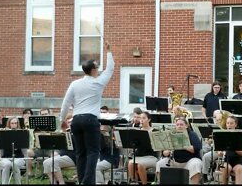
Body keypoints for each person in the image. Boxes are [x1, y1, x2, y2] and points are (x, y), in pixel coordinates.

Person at [60, 41, 114, 184]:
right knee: (92, 152)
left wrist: (62, 120)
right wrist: (108, 51)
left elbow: (66, 103)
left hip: (76, 121)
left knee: (80, 153)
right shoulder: (97, 83)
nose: (98, 69)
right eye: (97, 67)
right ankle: (87, 182)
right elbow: (110, 70)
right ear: (93, 70)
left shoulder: (75, 84)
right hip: (90, 120)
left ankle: (81, 179)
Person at [155, 117, 203, 184]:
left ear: (186, 126)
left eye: (181, 124)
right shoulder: (171, 135)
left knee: (196, 164)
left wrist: (182, 145)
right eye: (177, 125)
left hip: (189, 161)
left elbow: (196, 149)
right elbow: (164, 153)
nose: (179, 126)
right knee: (160, 164)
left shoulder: (192, 134)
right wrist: (168, 151)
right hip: (174, 161)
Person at [43, 113, 76, 185]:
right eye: (68, 121)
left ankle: (61, 182)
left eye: (71, 121)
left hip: (74, 157)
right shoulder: (66, 132)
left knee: (53, 162)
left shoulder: (77, 132)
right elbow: (62, 148)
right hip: (64, 155)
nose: (69, 123)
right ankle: (53, 182)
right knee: (46, 162)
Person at [127, 111, 158, 185]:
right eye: (140, 118)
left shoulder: (155, 131)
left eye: (144, 118)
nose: (141, 120)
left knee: (140, 165)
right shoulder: (137, 131)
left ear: (149, 120)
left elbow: (157, 146)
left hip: (151, 156)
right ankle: (135, 183)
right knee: (130, 164)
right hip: (139, 156)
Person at [0, 116, 27, 184]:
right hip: (6, 157)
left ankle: (18, 183)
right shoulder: (3, 133)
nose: (14, 125)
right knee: (7, 164)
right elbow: (0, 148)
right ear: (9, 124)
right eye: (12, 123)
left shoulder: (22, 134)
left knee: (15, 164)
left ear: (18, 124)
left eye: (15, 123)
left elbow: (25, 149)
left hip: (19, 158)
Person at [217, 115, 242, 184]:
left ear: (235, 124)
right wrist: (219, 153)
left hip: (237, 160)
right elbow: (218, 151)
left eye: (231, 123)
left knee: (239, 169)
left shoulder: (240, 136)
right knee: (226, 168)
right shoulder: (222, 135)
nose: (229, 125)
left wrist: (232, 144)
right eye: (227, 123)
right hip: (225, 160)